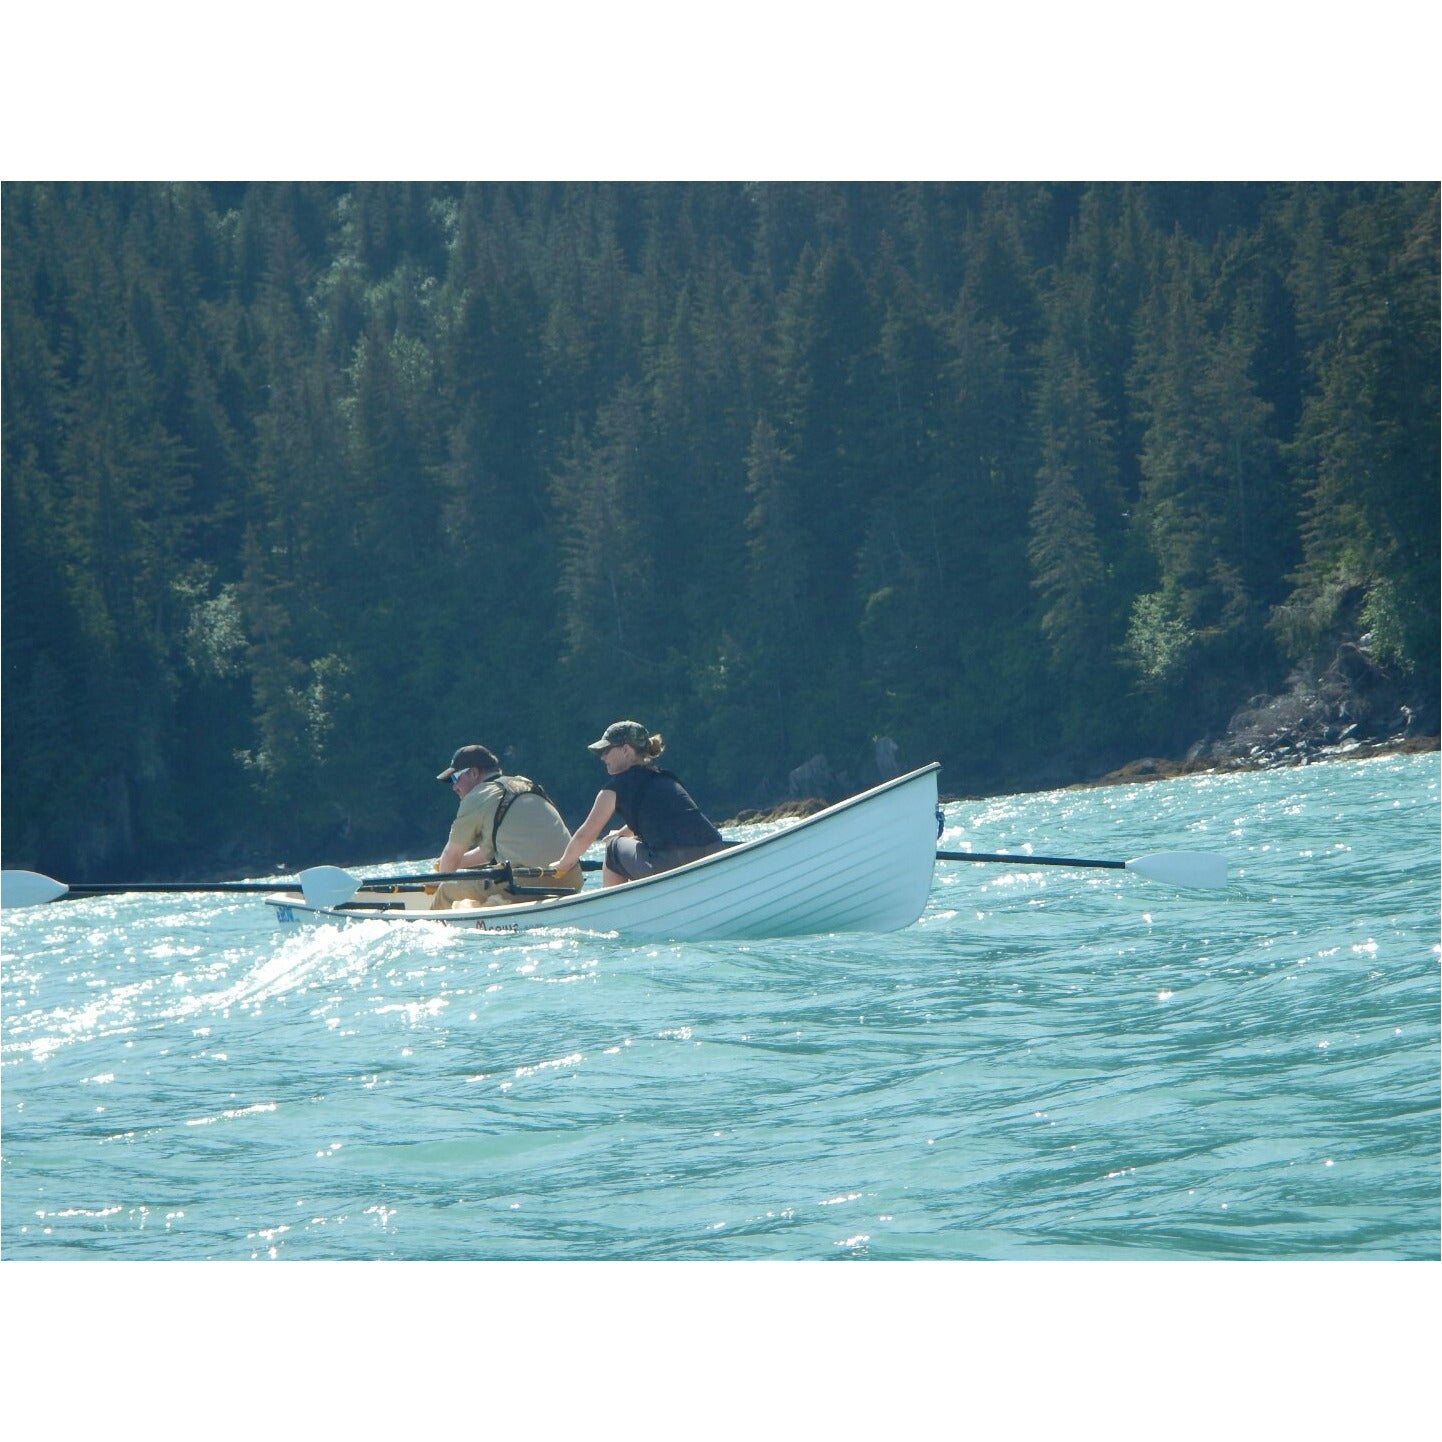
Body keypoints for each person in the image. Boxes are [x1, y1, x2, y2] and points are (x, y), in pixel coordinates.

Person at [549, 721, 726, 887]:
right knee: (623, 840)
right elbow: (660, 817)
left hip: (671, 862)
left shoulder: (614, 789)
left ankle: (614, 905)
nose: (602, 757)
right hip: (715, 851)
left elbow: (586, 834)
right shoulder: (665, 778)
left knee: (612, 850)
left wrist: (563, 864)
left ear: (626, 750)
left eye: (606, 750)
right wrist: (621, 833)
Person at [432, 745, 583, 908]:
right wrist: (454, 863)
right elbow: (487, 852)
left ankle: (432, 921)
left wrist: (438, 880)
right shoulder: (525, 784)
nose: (454, 787)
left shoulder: (478, 796)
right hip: (571, 880)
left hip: (526, 885)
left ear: (474, 773)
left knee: (446, 889)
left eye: (455, 778)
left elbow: (452, 854)